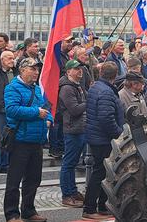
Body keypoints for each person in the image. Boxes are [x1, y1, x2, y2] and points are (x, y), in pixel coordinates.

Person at [3, 58, 52, 222]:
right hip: (20, 140)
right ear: (23, 70)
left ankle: (28, 211)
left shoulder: (37, 89)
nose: (36, 72)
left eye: (37, 70)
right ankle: (12, 214)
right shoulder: (12, 88)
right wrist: (36, 113)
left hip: (36, 140)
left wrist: (49, 119)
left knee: (33, 179)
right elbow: (11, 110)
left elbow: (46, 107)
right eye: (33, 69)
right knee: (14, 180)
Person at [83, 62, 124, 221]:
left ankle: (101, 205)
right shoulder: (106, 92)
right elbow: (106, 118)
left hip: (97, 136)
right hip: (103, 138)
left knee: (104, 172)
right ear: (115, 76)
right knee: (100, 173)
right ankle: (90, 207)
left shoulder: (96, 87)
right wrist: (118, 133)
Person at [58, 60, 87, 208]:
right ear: (68, 71)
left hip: (80, 128)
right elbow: (74, 109)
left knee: (73, 162)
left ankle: (73, 191)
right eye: (76, 69)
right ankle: (66, 194)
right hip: (72, 129)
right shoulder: (67, 88)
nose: (79, 71)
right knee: (68, 163)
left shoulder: (77, 86)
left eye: (80, 69)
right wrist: (89, 102)